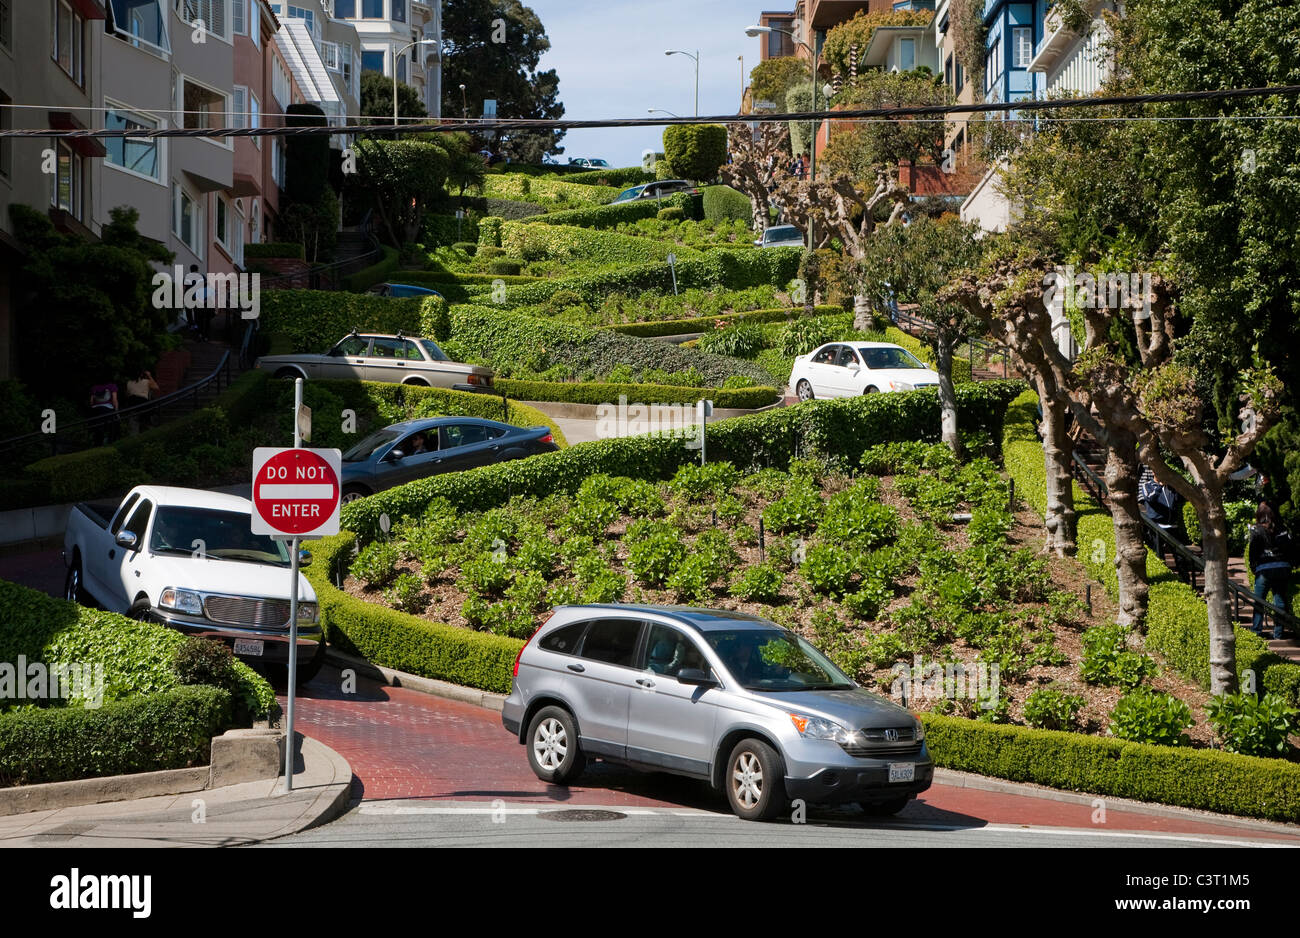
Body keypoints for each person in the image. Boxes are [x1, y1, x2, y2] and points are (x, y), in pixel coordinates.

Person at [1248, 502, 1292, 639]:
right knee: (1280, 601)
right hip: (1282, 566)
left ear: (1259, 515)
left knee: (1259, 601)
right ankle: (1278, 633)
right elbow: (1291, 548)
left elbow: (1253, 551)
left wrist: (1254, 567)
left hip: (1264, 568)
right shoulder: (1282, 528)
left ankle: (1257, 631)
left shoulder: (1257, 530)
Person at [89, 381, 120, 446]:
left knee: (98, 428)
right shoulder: (112, 386)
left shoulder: (94, 387)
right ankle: (110, 443)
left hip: (96, 410)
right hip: (107, 409)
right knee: (111, 426)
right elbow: (114, 400)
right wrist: (116, 412)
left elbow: (91, 402)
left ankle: (97, 444)